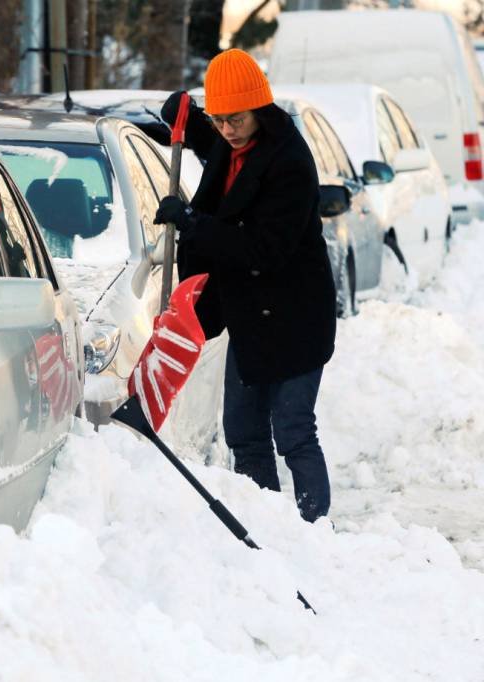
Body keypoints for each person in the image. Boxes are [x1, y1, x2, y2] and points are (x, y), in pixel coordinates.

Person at [153, 49, 337, 523]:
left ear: (259, 108)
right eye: (219, 121)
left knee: (293, 430)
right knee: (243, 432)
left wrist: (193, 222)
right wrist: (187, 116)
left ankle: (314, 529)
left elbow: (262, 249)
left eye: (234, 119)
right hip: (251, 316)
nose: (227, 130)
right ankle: (268, 524)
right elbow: (206, 142)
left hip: (295, 318)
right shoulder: (231, 142)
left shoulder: (289, 162)